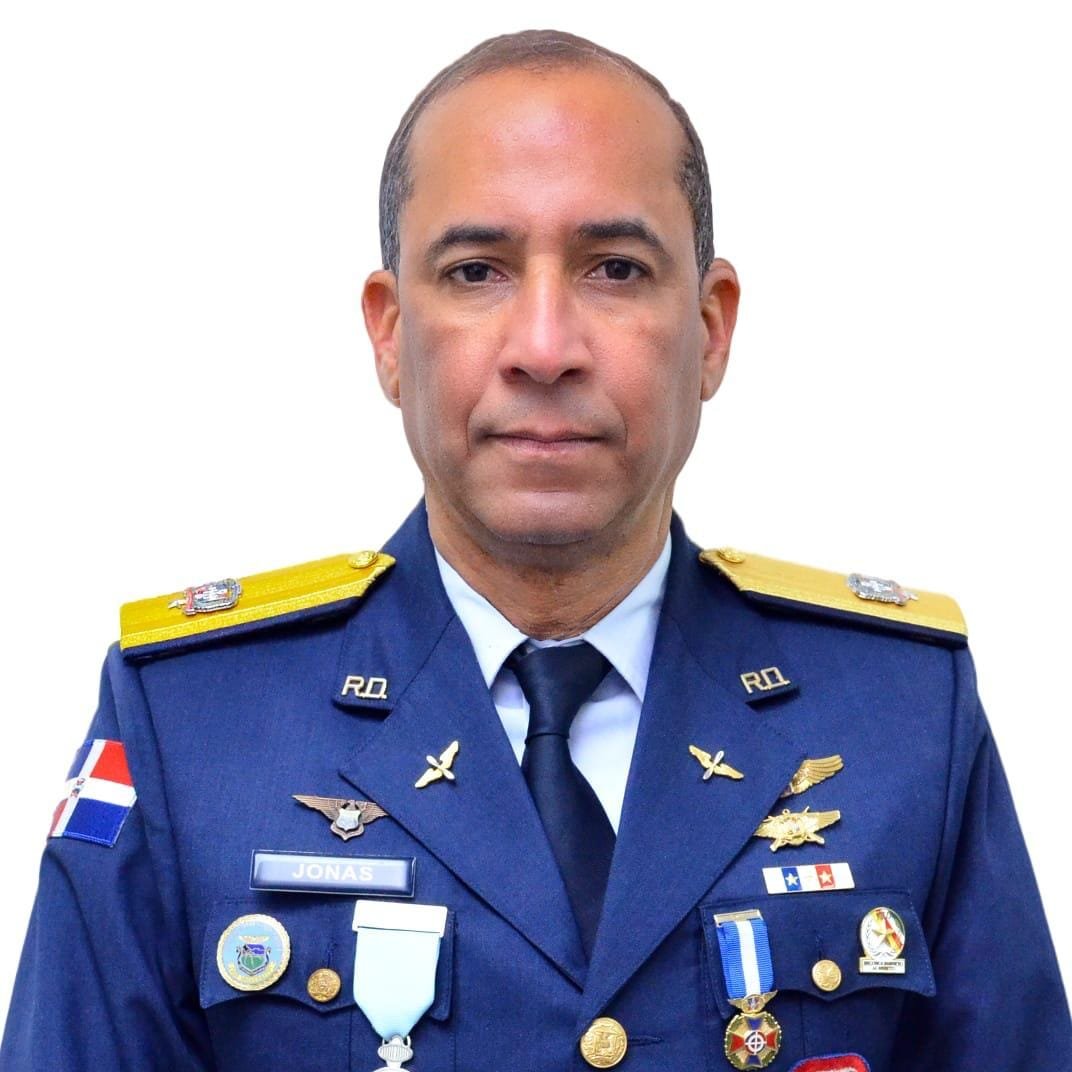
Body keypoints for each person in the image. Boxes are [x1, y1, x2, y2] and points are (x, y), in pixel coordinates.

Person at [2, 27, 1069, 1072]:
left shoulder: (901, 715)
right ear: (389, 332)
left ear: (711, 327)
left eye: (615, 268)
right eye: (477, 271)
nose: (546, 348)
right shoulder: (194, 725)